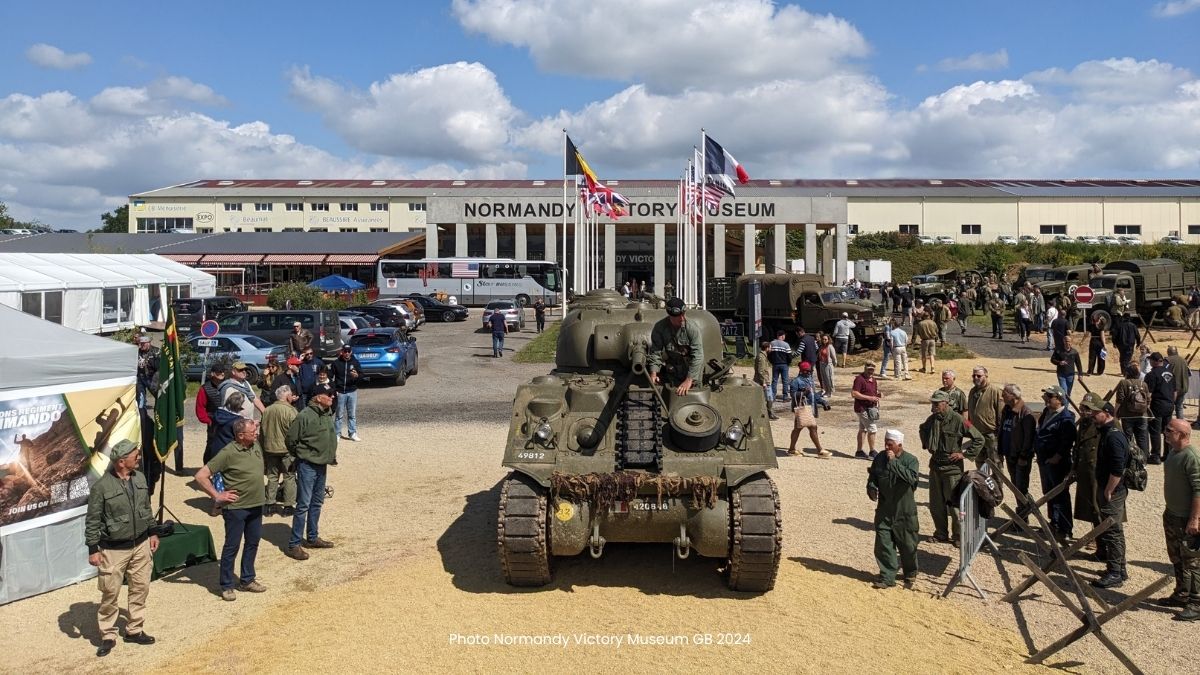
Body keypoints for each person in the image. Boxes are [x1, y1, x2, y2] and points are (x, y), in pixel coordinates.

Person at [85, 439, 158, 657]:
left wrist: (153, 532)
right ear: (121, 461)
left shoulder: (141, 478)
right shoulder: (101, 487)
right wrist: (93, 549)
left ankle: (134, 630)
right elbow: (93, 520)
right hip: (114, 550)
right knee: (110, 592)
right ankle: (108, 635)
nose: (139, 457)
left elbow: (146, 507)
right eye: (135, 455)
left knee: (140, 588)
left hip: (141, 544)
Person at [195, 418, 268, 601]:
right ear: (241, 435)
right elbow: (201, 476)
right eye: (252, 432)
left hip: (256, 505)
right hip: (236, 508)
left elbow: (256, 427)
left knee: (253, 542)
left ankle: (247, 579)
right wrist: (217, 495)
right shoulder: (228, 453)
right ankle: (227, 585)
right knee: (232, 546)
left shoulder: (254, 445)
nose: (256, 434)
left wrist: (255, 422)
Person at [919, 390, 983, 545]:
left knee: (954, 504)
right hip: (936, 466)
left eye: (936, 403)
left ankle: (959, 536)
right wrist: (927, 444)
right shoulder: (932, 419)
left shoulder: (958, 420)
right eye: (932, 403)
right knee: (936, 504)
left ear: (945, 403)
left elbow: (979, 438)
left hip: (952, 469)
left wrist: (964, 454)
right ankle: (941, 533)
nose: (933, 406)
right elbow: (922, 429)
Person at [284, 382, 339, 561]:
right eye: (328, 394)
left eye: (332, 394)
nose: (332, 397)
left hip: (322, 465)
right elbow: (291, 440)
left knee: (317, 502)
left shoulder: (326, 413)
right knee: (303, 505)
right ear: (317, 397)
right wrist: (300, 456)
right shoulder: (304, 416)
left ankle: (313, 537)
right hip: (307, 465)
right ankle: (294, 544)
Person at [867, 429, 920, 589]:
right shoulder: (879, 458)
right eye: (885, 444)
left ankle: (910, 572)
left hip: (904, 512)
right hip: (884, 510)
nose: (886, 447)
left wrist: (894, 463)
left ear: (900, 445)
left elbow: (911, 478)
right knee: (884, 544)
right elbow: (873, 476)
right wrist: (870, 487)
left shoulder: (911, 460)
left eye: (890, 445)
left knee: (908, 546)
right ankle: (887, 576)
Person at [1161, 419, 1200, 619]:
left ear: (1183, 435)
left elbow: (1198, 490)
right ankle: (1181, 593)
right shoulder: (1173, 452)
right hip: (1172, 516)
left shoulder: (1191, 457)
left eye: (1169, 430)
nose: (1165, 432)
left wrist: (1195, 519)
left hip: (1187, 519)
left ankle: (1196, 602)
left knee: (1192, 563)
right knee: (1176, 557)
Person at [1091, 400, 1131, 588]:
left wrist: (1108, 489)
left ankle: (1115, 572)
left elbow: (1118, 468)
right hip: (1110, 488)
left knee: (1112, 531)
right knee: (1113, 530)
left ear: (1106, 413)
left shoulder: (1114, 436)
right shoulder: (1107, 432)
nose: (1092, 415)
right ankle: (1118, 568)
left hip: (1113, 491)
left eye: (1095, 412)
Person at [1035, 385, 1077, 545]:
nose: (1045, 399)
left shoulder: (1066, 418)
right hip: (1044, 460)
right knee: (1049, 493)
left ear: (1059, 399)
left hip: (1057, 463)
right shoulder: (1047, 413)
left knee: (1060, 496)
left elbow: (1067, 441)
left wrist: (1057, 457)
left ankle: (1065, 529)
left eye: (1049, 396)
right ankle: (1054, 522)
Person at [647, 297, 704, 397]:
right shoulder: (660, 328)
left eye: (683, 314)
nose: (682, 318)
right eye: (678, 316)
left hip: (692, 372)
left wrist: (689, 380)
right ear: (670, 316)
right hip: (673, 372)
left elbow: (698, 356)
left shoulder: (692, 328)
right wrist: (654, 373)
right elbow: (655, 352)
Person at [260, 384, 299, 517]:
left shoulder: (267, 410)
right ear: (288, 396)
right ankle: (288, 507)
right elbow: (296, 433)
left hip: (270, 449)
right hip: (286, 450)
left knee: (272, 477)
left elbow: (262, 432)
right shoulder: (291, 411)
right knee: (289, 476)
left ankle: (270, 505)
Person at [999, 384, 1036, 521]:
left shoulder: (1026, 413)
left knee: (1021, 488)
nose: (1002, 396)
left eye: (1005, 393)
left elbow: (1029, 438)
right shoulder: (1007, 410)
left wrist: (1024, 456)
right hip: (1010, 454)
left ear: (1013, 396)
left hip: (1020, 457)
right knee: (1015, 486)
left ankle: (1023, 517)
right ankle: (1021, 516)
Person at [1074, 394, 1105, 548]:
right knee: (1090, 506)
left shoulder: (1102, 425)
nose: (1084, 411)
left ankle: (1100, 540)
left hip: (1097, 472)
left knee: (1098, 506)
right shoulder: (1085, 424)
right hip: (1085, 469)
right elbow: (1078, 446)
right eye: (1082, 408)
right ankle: (1097, 537)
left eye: (1087, 408)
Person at [787, 362, 831, 457]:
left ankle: (791, 449)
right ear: (802, 371)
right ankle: (820, 450)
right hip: (801, 409)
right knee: (812, 427)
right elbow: (793, 394)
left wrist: (823, 402)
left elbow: (813, 395)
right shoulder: (796, 381)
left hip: (810, 408)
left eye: (810, 371)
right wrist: (804, 392)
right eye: (807, 371)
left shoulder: (810, 380)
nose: (809, 373)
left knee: (798, 429)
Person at [967, 366, 1005, 470]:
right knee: (979, 462)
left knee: (995, 463)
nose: (975, 378)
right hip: (977, 435)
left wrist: (999, 433)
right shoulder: (972, 391)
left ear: (986, 376)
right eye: (973, 375)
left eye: (978, 376)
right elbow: (970, 412)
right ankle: (983, 485)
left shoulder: (995, 391)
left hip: (991, 435)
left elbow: (1001, 414)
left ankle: (998, 485)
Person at [1145, 351, 1177, 464]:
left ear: (1154, 361)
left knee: (1155, 431)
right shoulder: (1170, 373)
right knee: (1167, 431)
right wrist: (1171, 403)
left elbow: (1149, 393)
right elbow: (1175, 392)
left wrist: (1146, 406)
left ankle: (1155, 455)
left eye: (1150, 360)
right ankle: (1168, 454)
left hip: (1157, 405)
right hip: (1169, 405)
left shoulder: (1152, 375)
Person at [194, 363, 226, 471]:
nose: (221, 373)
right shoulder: (205, 389)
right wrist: (208, 421)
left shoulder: (228, 385)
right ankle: (207, 469)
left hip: (227, 419)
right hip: (213, 420)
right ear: (213, 374)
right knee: (211, 446)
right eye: (219, 372)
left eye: (222, 371)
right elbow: (200, 407)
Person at [1115, 361, 1151, 458]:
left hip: (1127, 414)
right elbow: (1148, 400)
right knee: (1142, 438)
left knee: (1128, 437)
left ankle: (1130, 458)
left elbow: (1120, 400)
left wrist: (1116, 413)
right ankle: (1144, 459)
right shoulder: (1143, 384)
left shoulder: (1124, 383)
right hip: (1142, 415)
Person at [329, 345, 362, 441]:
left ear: (351, 352)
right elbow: (330, 377)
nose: (347, 353)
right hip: (340, 392)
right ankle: (337, 433)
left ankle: (352, 433)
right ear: (341, 352)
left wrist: (357, 376)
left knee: (352, 414)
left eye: (348, 351)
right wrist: (334, 390)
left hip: (352, 391)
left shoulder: (355, 362)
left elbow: (362, 375)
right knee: (339, 415)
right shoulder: (336, 363)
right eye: (345, 351)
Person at [851, 363, 882, 459]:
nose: (870, 371)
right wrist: (870, 398)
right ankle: (872, 452)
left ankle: (859, 451)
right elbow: (854, 393)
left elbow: (873, 392)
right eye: (869, 369)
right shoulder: (859, 379)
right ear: (865, 368)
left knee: (863, 429)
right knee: (872, 429)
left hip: (870, 408)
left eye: (872, 369)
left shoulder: (874, 380)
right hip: (862, 408)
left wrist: (878, 394)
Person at [1051, 335, 1084, 400]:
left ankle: (1065, 407)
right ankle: (1064, 408)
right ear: (1063, 341)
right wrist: (1059, 362)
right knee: (1064, 392)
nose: (1067, 343)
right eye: (1066, 341)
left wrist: (1080, 374)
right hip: (1061, 374)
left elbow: (1078, 364)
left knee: (1068, 393)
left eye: (1069, 341)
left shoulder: (1074, 352)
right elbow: (1052, 360)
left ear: (1071, 342)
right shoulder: (1058, 351)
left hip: (1071, 375)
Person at [753, 340, 778, 420]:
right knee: (769, 397)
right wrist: (763, 382)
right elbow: (760, 371)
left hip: (764, 380)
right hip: (763, 381)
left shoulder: (762, 355)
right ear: (767, 348)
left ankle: (768, 413)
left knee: (767, 397)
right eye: (770, 347)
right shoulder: (761, 357)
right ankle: (769, 413)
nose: (771, 349)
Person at [135, 336, 159, 411]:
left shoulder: (156, 351)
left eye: (143, 344)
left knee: (158, 396)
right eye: (140, 344)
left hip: (153, 378)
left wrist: (155, 381)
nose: (141, 345)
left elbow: (160, 367)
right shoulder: (138, 352)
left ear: (148, 343)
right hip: (141, 378)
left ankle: (158, 411)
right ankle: (143, 416)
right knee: (140, 399)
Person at [1166, 345, 1191, 420]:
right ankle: (1181, 425)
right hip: (1183, 387)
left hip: (1172, 389)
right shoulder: (1184, 360)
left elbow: (1164, 373)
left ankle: (1168, 425)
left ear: (1168, 352)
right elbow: (1189, 373)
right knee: (1179, 407)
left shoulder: (1167, 360)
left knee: (1170, 407)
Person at [767, 330, 793, 401]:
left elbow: (768, 354)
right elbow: (789, 356)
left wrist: (772, 361)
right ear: (782, 336)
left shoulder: (772, 343)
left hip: (775, 364)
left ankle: (773, 396)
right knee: (785, 381)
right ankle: (785, 397)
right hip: (784, 364)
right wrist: (789, 363)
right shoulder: (786, 344)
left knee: (774, 380)